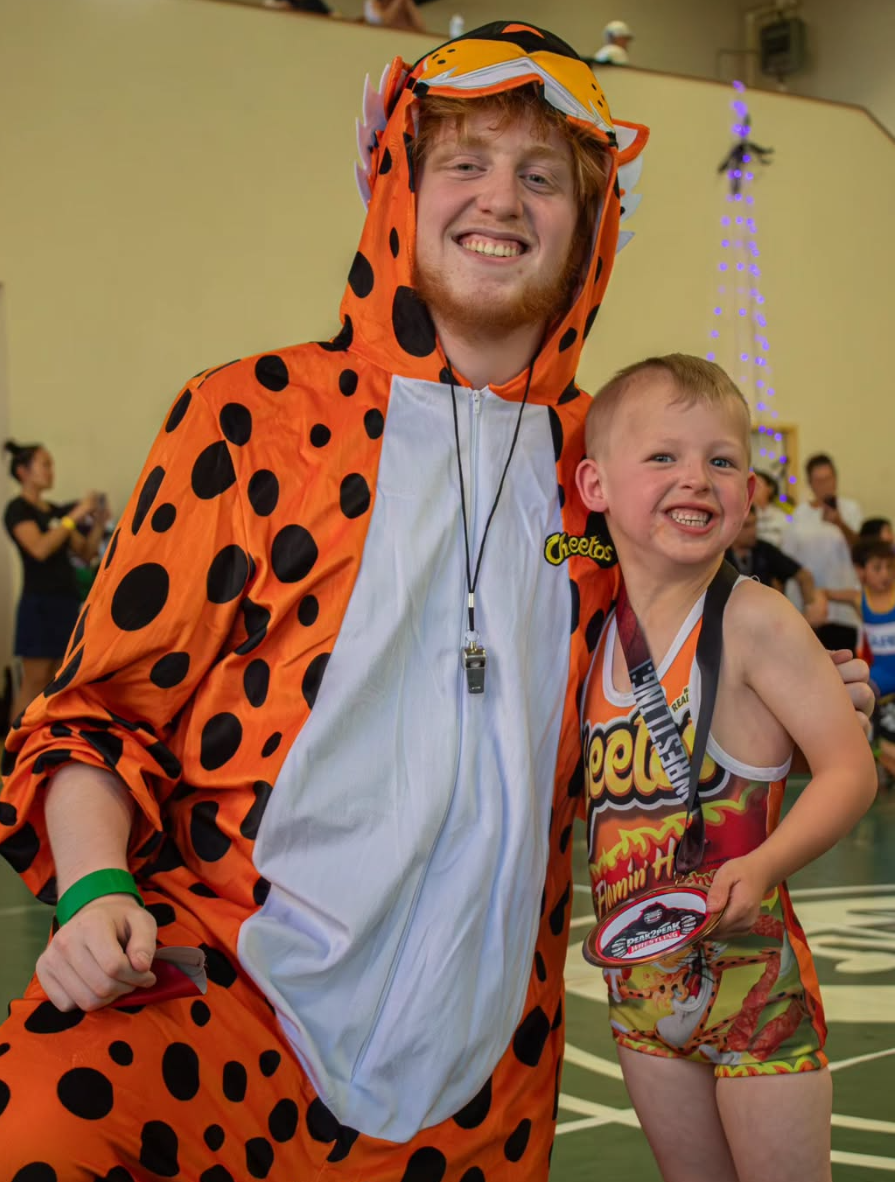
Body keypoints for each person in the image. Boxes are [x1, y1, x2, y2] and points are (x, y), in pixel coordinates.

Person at [0, 25, 869, 1180]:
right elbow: (96, 716)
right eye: (464, 163)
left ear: (592, 222)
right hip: (215, 1010)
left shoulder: (601, 474)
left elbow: (685, 645)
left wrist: (786, 693)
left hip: (475, 1086)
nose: (500, 198)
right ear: (396, 190)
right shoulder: (248, 419)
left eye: (541, 175)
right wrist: (97, 885)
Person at [575, 354, 876, 1182]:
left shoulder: (756, 620)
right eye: (662, 456)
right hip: (639, 993)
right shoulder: (590, 627)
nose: (695, 479)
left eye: (721, 461)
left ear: (747, 493)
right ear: (595, 485)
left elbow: (850, 773)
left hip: (755, 996)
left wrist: (765, 863)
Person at [3, 440, 109, 725]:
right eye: (45, 464)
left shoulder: (54, 512)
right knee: (35, 680)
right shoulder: (18, 509)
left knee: (59, 680)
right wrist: (74, 515)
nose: (51, 471)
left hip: (65, 602)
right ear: (23, 472)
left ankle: (47, 744)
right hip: (38, 604)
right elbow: (39, 548)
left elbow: (86, 554)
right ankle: (14, 747)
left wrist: (98, 522)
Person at [783, 452, 862, 651]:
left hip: (844, 609)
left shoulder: (850, 509)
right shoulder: (799, 514)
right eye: (818, 481)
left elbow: (861, 552)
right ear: (810, 484)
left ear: (835, 479)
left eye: (828, 479)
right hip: (809, 609)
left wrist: (839, 523)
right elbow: (788, 561)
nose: (824, 485)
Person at [726, 502, 826, 626]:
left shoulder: (764, 550)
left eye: (755, 524)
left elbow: (804, 576)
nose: (753, 531)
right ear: (732, 526)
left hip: (766, 622)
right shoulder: (720, 555)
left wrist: (810, 610)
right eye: (747, 526)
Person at [851, 539, 895, 783]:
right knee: (854, 695)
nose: (885, 574)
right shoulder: (860, 599)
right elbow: (825, 592)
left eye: (890, 567)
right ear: (862, 573)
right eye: (877, 568)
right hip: (882, 676)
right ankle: (876, 751)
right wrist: (818, 600)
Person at [752, 467, 788, 547]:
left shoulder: (781, 517)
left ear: (770, 489)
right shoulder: (744, 517)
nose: (753, 491)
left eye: (757, 486)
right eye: (751, 487)